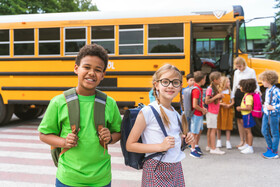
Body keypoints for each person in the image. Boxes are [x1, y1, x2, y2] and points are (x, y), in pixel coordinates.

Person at [38, 44, 122, 187]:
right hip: (68, 178)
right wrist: (64, 142)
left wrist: (110, 137)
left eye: (98, 70)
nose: (91, 73)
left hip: (101, 178)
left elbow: (118, 132)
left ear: (103, 75)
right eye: (87, 67)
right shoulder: (59, 102)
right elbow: (44, 134)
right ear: (76, 68)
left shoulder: (110, 103)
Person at [126, 64, 194, 186]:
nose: (170, 86)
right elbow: (130, 145)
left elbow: (174, 144)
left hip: (176, 168)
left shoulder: (175, 114)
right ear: (156, 85)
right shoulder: (148, 111)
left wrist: (185, 140)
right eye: (165, 82)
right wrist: (160, 146)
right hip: (156, 168)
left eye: (175, 82)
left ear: (180, 87)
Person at [231, 57, 259, 148]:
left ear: (244, 64)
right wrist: (232, 96)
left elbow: (255, 83)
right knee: (239, 119)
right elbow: (234, 85)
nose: (239, 68)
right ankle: (242, 141)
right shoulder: (236, 72)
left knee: (245, 119)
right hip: (238, 93)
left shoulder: (251, 71)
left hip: (247, 93)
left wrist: (257, 92)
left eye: (240, 66)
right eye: (237, 67)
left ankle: (247, 142)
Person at [259, 70, 280, 159]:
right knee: (264, 131)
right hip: (266, 113)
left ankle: (274, 151)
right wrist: (265, 106)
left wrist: (274, 107)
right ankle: (271, 147)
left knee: (274, 132)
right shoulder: (267, 90)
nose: (262, 82)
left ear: (269, 80)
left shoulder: (276, 91)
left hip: (274, 115)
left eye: (263, 80)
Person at [205, 71, 225, 154]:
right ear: (214, 80)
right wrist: (216, 96)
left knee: (210, 129)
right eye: (219, 79)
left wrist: (219, 98)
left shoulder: (214, 88)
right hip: (211, 112)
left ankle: (209, 145)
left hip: (213, 111)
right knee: (213, 130)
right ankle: (213, 148)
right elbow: (207, 101)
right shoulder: (210, 89)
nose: (221, 81)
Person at [189, 71, 207, 158]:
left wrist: (202, 107)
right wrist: (202, 109)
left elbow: (199, 102)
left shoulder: (198, 88)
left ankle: (195, 146)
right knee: (194, 132)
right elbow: (194, 105)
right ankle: (192, 150)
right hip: (196, 114)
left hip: (199, 113)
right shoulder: (196, 90)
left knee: (199, 130)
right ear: (202, 80)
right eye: (205, 79)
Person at [236, 79, 257, 154]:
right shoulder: (247, 95)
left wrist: (240, 108)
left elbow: (249, 108)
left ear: (246, 87)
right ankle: (247, 145)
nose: (240, 88)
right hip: (245, 115)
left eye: (241, 86)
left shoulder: (248, 97)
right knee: (246, 130)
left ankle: (250, 147)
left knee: (248, 131)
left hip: (247, 115)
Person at [216, 76, 234, 149]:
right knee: (218, 125)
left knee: (228, 126)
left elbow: (233, 101)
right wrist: (222, 104)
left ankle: (228, 141)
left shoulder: (230, 92)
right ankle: (218, 140)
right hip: (220, 110)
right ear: (223, 83)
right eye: (228, 82)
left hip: (228, 110)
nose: (229, 83)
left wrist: (230, 105)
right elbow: (216, 101)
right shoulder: (219, 91)